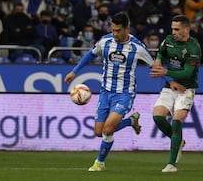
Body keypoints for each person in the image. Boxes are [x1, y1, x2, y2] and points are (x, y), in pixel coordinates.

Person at [64, 12, 184, 171]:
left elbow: (155, 67)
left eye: (118, 30)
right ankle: (130, 121)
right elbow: (90, 54)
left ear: (127, 28)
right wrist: (74, 71)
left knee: (108, 129)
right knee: (99, 132)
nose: (115, 34)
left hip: (124, 94)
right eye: (113, 30)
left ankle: (99, 163)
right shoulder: (105, 41)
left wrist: (171, 81)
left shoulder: (137, 47)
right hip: (105, 92)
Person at [150, 15, 201, 173]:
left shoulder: (194, 48)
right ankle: (178, 141)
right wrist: (158, 60)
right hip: (169, 87)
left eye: (177, 29)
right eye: (172, 28)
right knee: (158, 117)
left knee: (177, 120)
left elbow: (187, 73)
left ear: (186, 30)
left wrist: (165, 71)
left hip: (186, 89)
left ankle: (171, 164)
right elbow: (161, 52)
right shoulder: (169, 40)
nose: (173, 32)